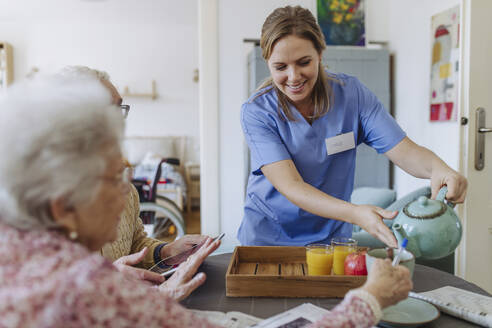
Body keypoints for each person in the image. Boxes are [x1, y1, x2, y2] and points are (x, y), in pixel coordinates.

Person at [0, 74, 413, 328]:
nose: (128, 187)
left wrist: (155, 261)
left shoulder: (17, 252)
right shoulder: (86, 288)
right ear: (60, 205)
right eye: (113, 177)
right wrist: (369, 299)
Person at [238, 6, 468, 247]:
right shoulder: (257, 112)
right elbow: (292, 186)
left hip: (332, 238)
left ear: (320, 54)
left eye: (304, 62)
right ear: (268, 63)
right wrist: (355, 213)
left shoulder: (352, 95)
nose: (293, 76)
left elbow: (403, 149)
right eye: (281, 67)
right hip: (269, 238)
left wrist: (438, 168)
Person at [57, 66, 206, 284]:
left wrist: (168, 251)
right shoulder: (42, 198)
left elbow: (135, 243)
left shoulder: (125, 189)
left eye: (119, 109)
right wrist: (107, 278)